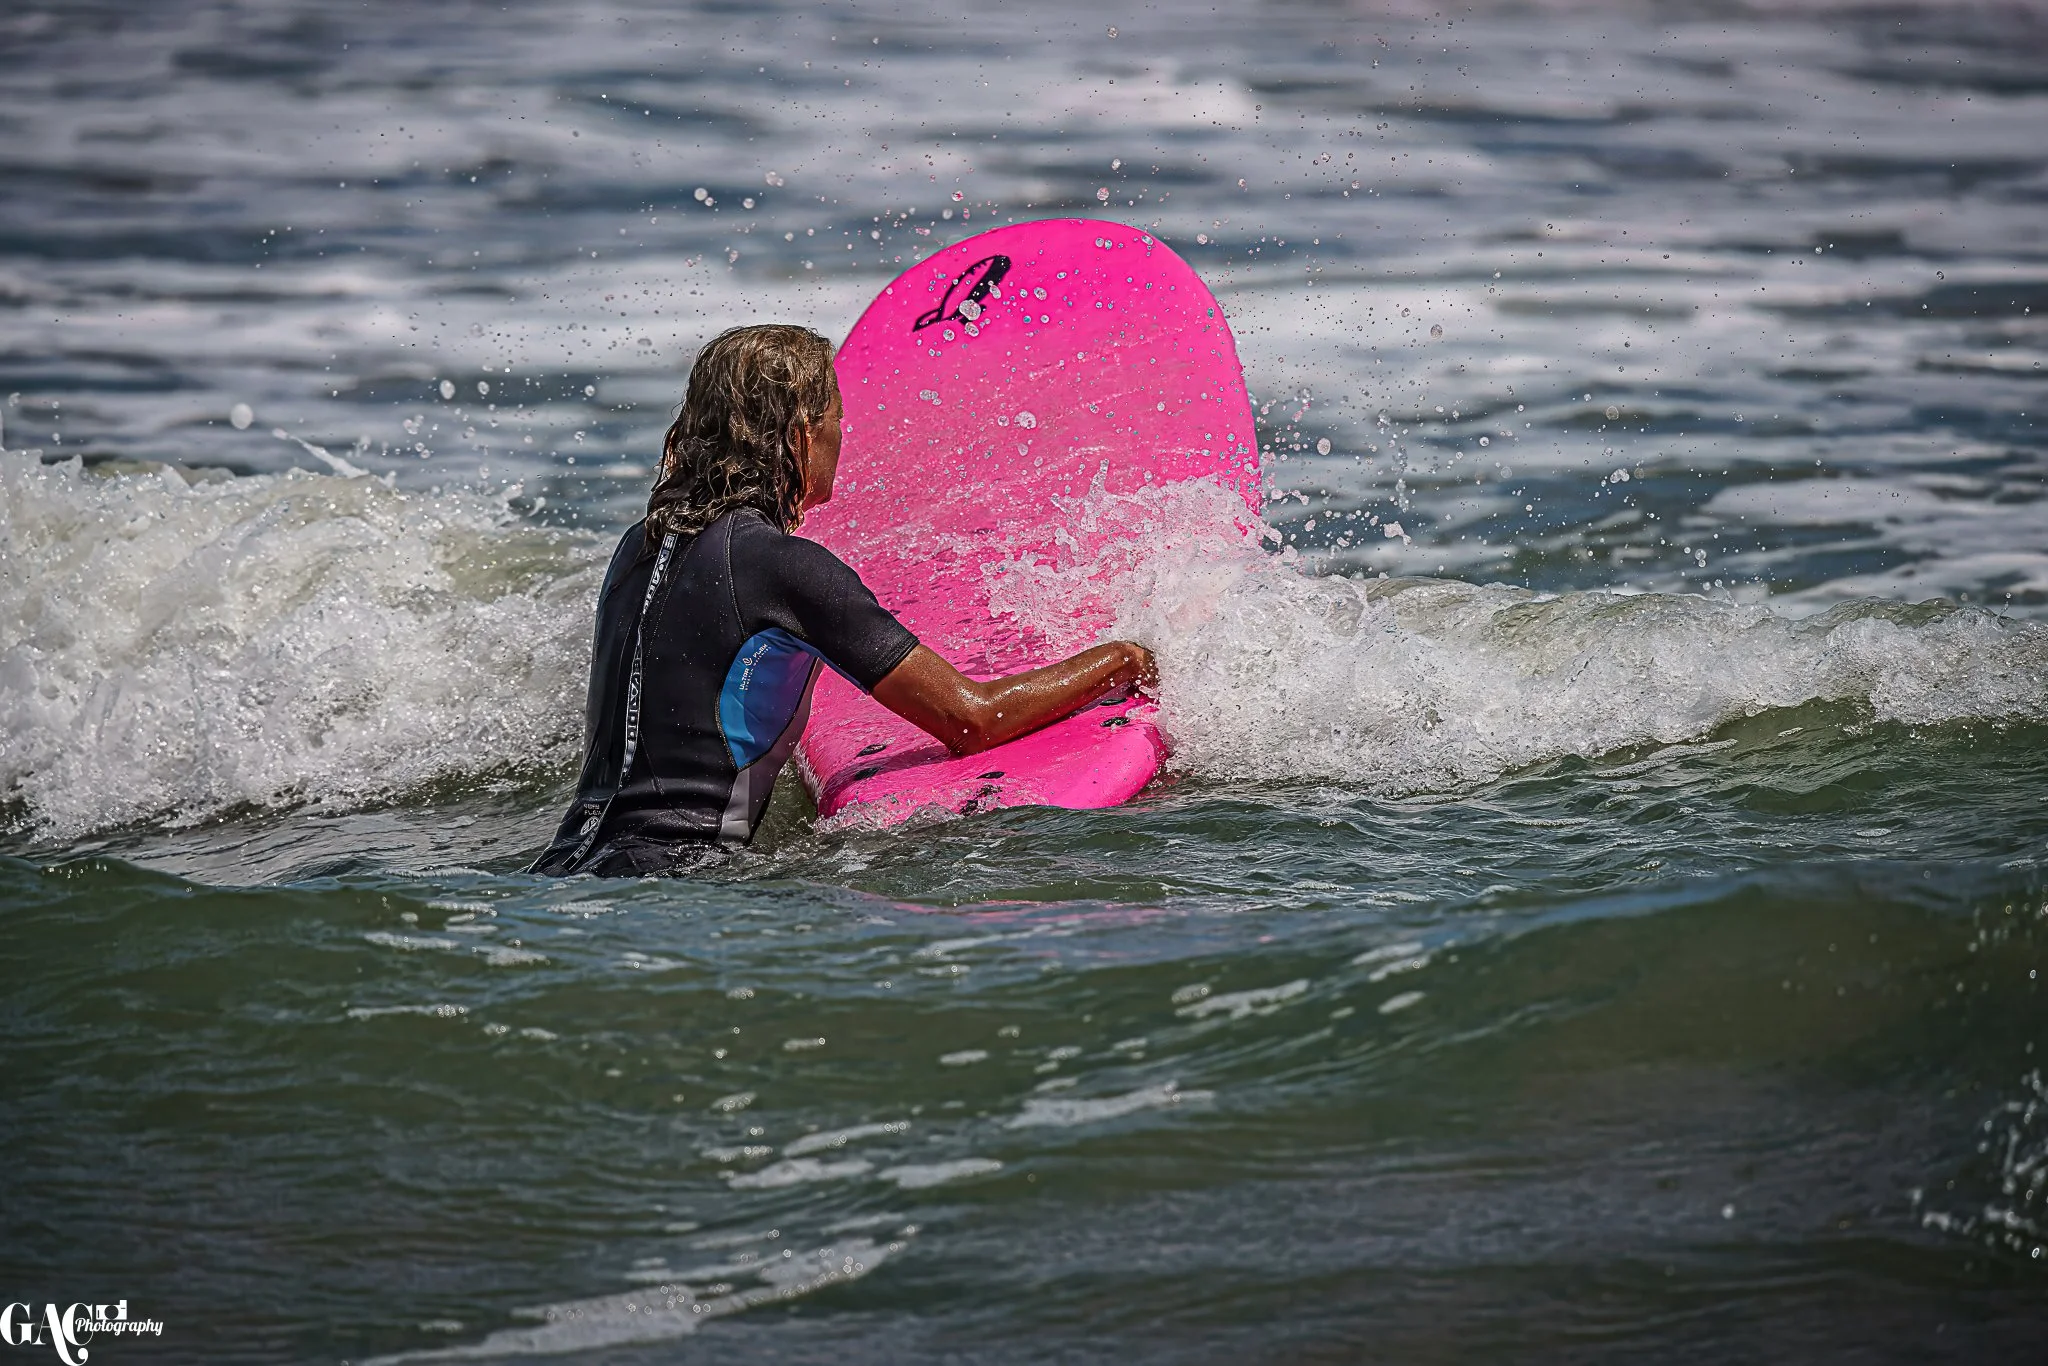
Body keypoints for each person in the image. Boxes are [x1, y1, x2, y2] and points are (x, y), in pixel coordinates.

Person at [532, 324, 1156, 876]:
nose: (842, 438)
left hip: (567, 863)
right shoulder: (783, 567)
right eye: (836, 420)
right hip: (677, 884)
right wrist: (1126, 658)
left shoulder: (638, 547)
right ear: (802, 437)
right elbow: (972, 718)